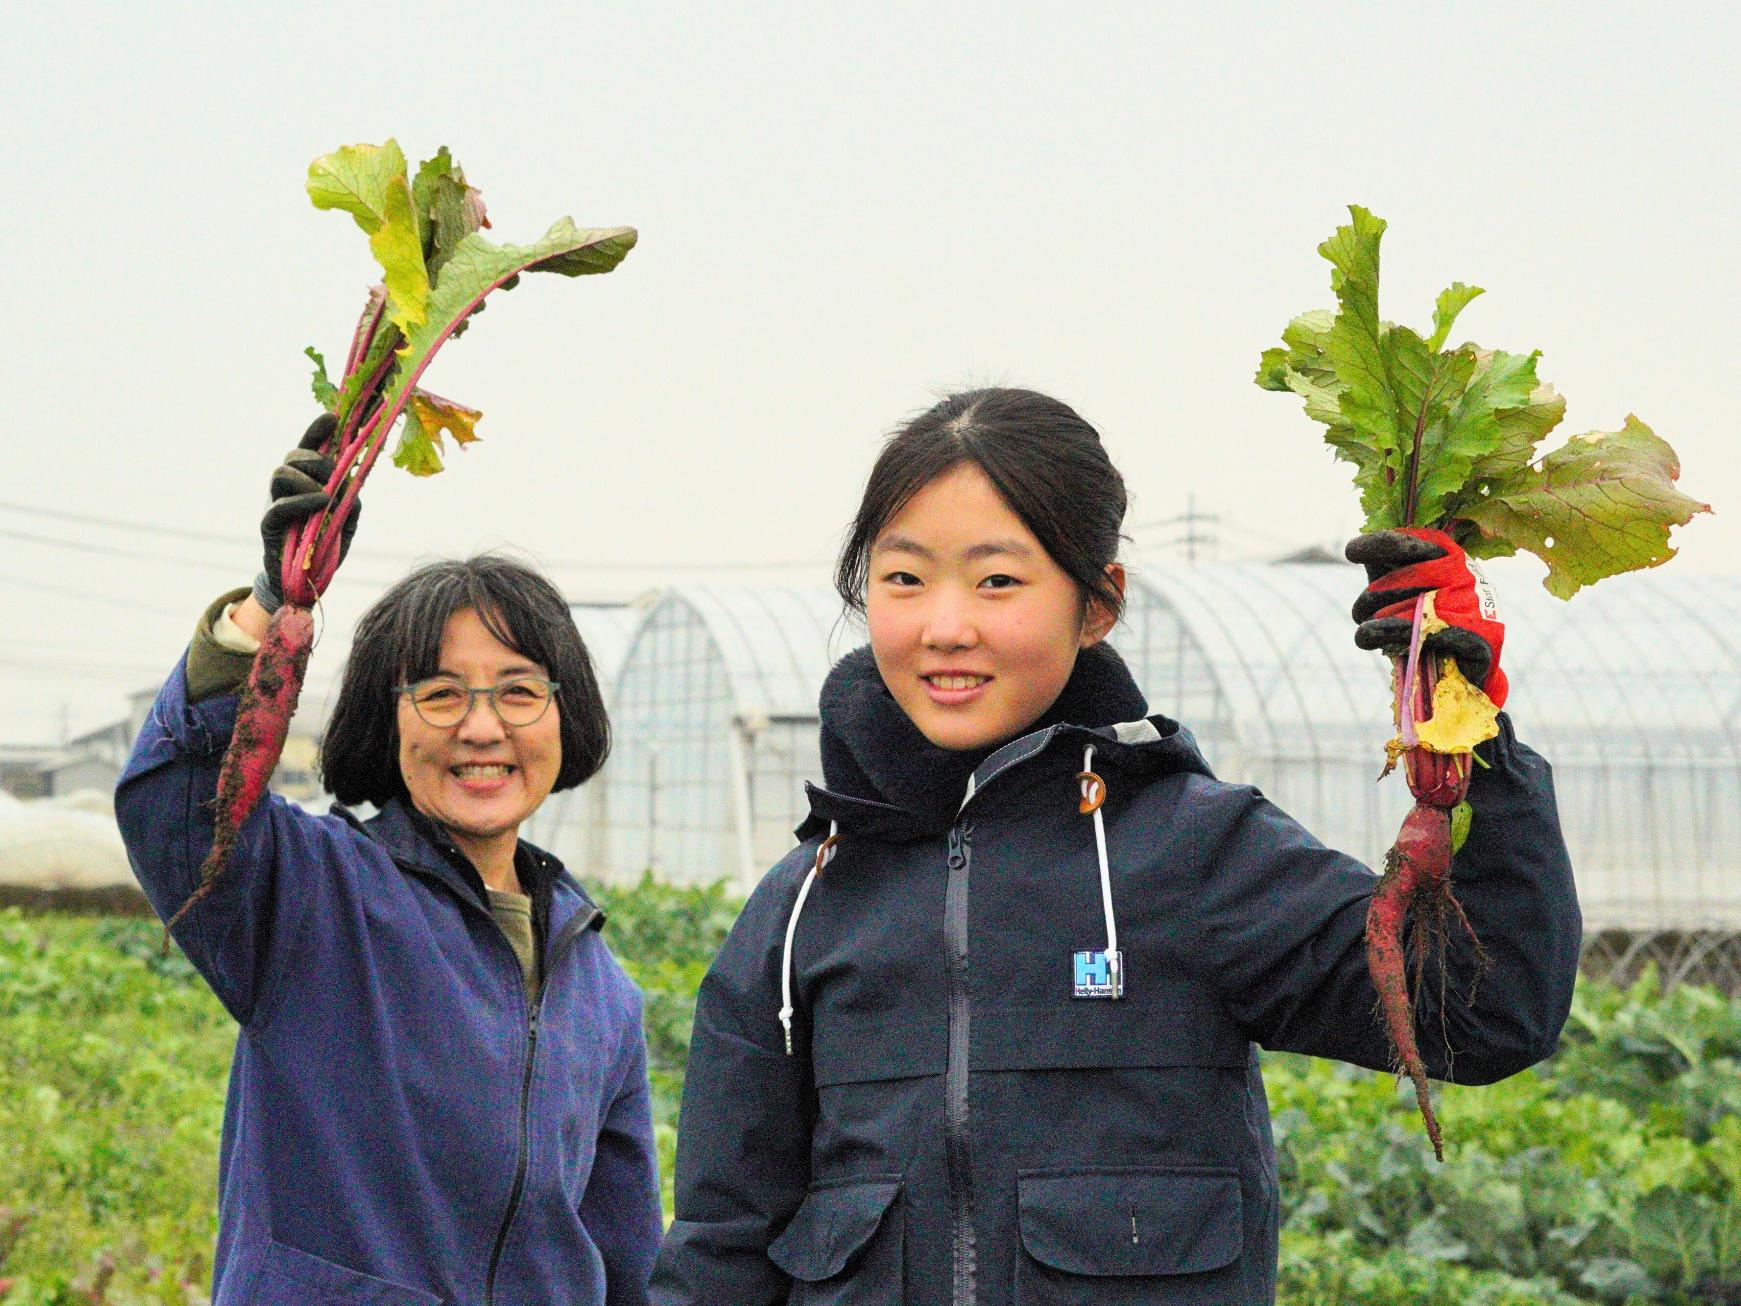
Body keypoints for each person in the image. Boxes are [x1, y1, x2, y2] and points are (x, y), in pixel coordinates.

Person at [649, 388, 1580, 1304]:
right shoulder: (806, 901)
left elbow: (1486, 1007)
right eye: (903, 578)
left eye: (997, 580)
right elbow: (722, 1243)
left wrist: (1469, 727)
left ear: (1097, 605)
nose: (944, 626)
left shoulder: (1196, 852)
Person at [116, 416, 663, 1305]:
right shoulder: (309, 893)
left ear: (567, 719)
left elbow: (626, 1253)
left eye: (520, 692)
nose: (482, 728)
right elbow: (177, 807)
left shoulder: (602, 988)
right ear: (387, 719)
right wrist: (271, 602)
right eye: (439, 693)